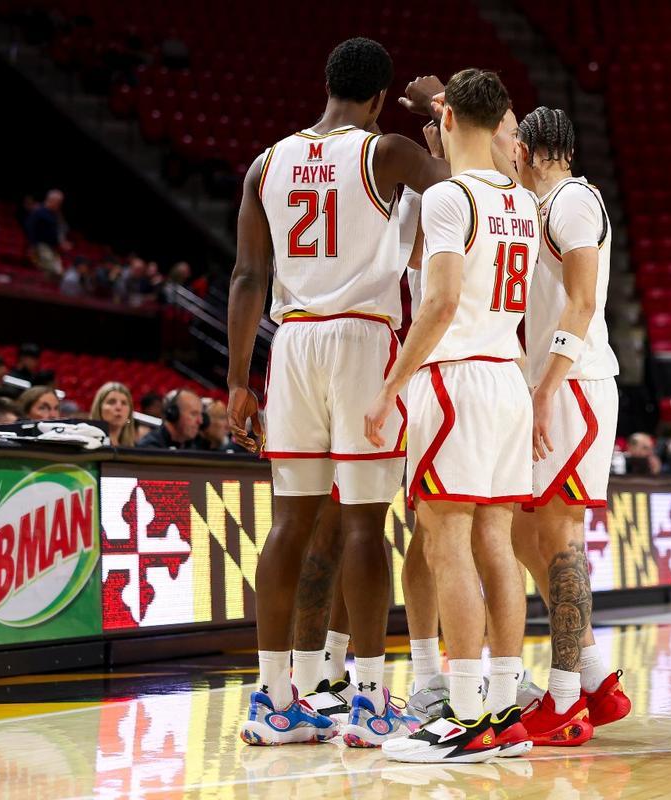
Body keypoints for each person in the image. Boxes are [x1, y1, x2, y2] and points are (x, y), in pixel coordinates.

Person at [226, 38, 448, 750]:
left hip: (290, 344)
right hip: (362, 340)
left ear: (326, 85)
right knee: (362, 526)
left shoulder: (267, 162)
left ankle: (274, 698)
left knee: (288, 525)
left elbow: (245, 278)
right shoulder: (386, 153)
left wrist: (235, 380)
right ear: (382, 98)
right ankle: (372, 702)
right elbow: (461, 189)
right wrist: (440, 111)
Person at [361, 67, 536, 762]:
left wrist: (389, 388)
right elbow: (499, 141)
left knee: (446, 542)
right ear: (501, 124)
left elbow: (436, 306)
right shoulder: (519, 200)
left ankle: (462, 716)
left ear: (449, 122)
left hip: (455, 378)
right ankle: (498, 707)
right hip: (507, 378)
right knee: (494, 543)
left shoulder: (449, 199)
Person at [489, 106, 630, 747]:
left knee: (562, 536)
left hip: (573, 385)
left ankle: (567, 700)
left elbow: (581, 300)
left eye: (513, 142)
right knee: (523, 535)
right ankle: (597, 677)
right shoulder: (537, 202)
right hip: (547, 384)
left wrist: (545, 388)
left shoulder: (574, 200)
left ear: (532, 147)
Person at [137, 388, 204, 449]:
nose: (200, 421)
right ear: (173, 414)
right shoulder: (150, 448)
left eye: (200, 415)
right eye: (194, 414)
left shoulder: (192, 446)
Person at [26, 189, 68, 276]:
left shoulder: (56, 215)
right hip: (41, 246)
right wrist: (33, 246)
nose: (59, 205)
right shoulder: (39, 212)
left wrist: (61, 242)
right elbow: (30, 228)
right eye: (58, 202)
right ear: (51, 200)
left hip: (52, 247)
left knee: (58, 272)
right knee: (55, 271)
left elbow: (59, 230)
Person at [89, 382, 136, 447]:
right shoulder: (86, 445)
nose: (119, 407)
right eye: (111, 402)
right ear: (99, 409)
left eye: (124, 403)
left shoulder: (135, 449)